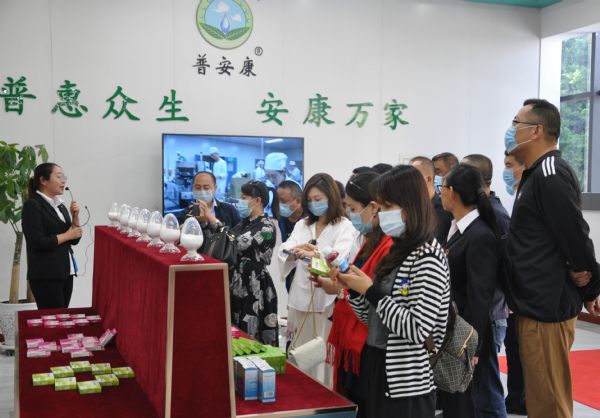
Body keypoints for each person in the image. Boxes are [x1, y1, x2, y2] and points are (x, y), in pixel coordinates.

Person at [503, 99, 600, 418]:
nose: (512, 130)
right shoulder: (535, 175)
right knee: (539, 399)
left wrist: (590, 285)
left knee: (550, 402)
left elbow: (574, 235)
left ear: (537, 130)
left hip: (546, 307)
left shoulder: (550, 173)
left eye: (517, 123)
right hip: (533, 305)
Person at [334, 165, 450, 418]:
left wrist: (371, 291)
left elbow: (417, 329)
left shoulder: (427, 256)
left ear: (409, 206)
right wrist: (355, 290)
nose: (380, 214)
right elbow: (372, 318)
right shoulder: (397, 250)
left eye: (387, 207)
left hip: (406, 381)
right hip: (377, 364)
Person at [315, 171, 393, 417]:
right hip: (354, 335)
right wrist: (339, 282)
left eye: (352, 208)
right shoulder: (371, 239)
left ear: (374, 207)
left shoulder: (390, 246)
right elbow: (357, 283)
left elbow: (372, 292)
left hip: (367, 339)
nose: (349, 214)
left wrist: (343, 287)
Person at [439, 163, 506, 418]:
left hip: (465, 336)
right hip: (452, 331)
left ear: (452, 193)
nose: (440, 192)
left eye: (442, 187)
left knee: (464, 405)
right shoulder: (458, 229)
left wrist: (471, 347)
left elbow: (480, 298)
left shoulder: (480, 235)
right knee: (453, 403)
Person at [278, 173, 356, 385]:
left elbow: (339, 259)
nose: (313, 204)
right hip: (300, 295)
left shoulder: (344, 226)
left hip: (326, 298)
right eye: (310, 200)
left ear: (331, 197)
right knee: (298, 351)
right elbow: (285, 249)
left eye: (318, 199)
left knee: (321, 354)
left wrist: (314, 254)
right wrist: (297, 250)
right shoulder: (303, 224)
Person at [22, 163, 82, 309]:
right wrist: (67, 235)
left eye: (64, 177)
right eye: (59, 177)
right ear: (43, 180)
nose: (63, 181)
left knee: (63, 317)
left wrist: (75, 217)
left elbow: (74, 239)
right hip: (46, 274)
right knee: (53, 319)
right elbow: (38, 242)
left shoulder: (60, 205)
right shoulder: (32, 205)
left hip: (65, 272)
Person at [229, 181, 278, 345]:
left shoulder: (267, 227)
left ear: (257, 201)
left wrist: (214, 221)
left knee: (251, 334)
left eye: (244, 197)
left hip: (255, 285)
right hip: (238, 283)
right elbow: (227, 239)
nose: (240, 201)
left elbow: (239, 243)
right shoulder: (244, 222)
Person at [410, 156, 453, 244]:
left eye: (412, 177)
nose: (408, 182)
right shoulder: (410, 208)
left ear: (428, 179)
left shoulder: (443, 209)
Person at [277, 180, 306, 293]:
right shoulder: (282, 219)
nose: (280, 204)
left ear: (298, 201)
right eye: (278, 200)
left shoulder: (308, 220)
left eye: (283, 201)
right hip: (290, 269)